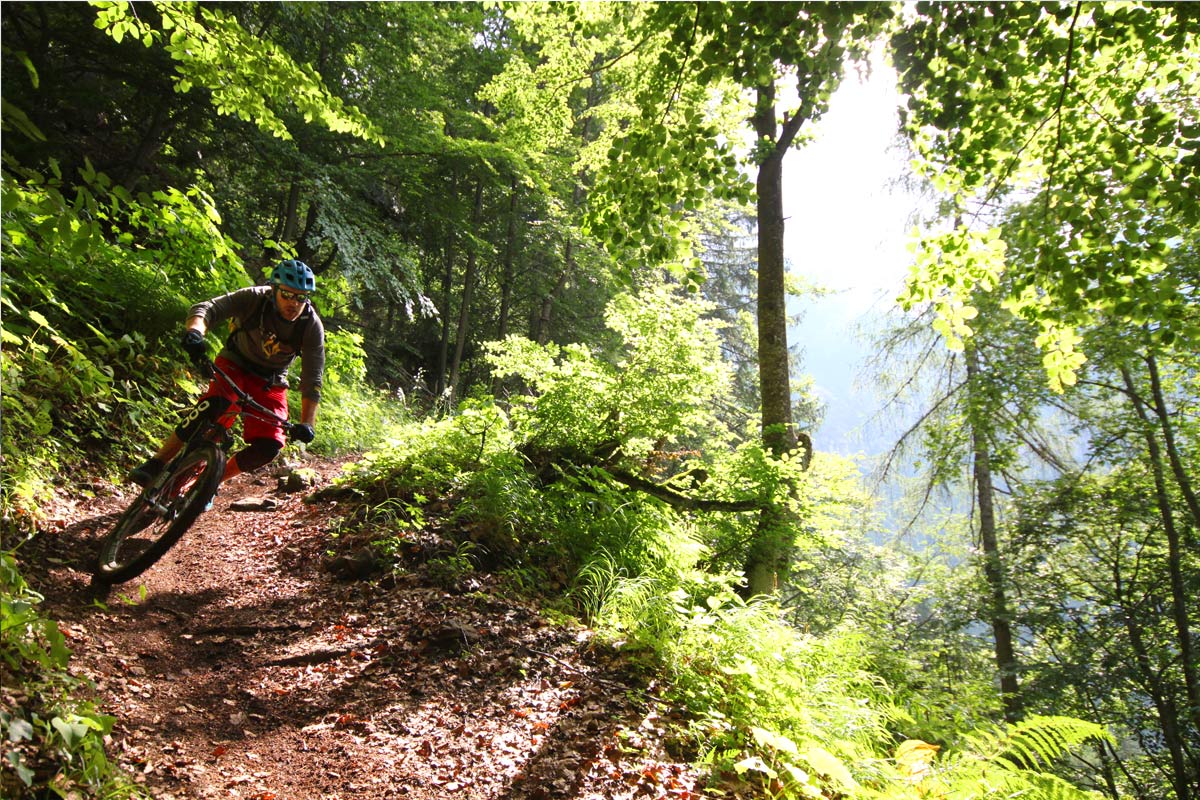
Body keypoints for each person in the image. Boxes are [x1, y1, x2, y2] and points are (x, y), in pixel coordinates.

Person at [128, 259, 325, 489]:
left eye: (301, 297)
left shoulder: (310, 326)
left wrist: (307, 424)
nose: (294, 303)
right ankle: (157, 462)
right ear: (273, 290)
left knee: (269, 446)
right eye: (287, 294)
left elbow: (312, 379)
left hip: (270, 379)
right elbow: (207, 309)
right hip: (235, 362)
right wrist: (195, 332)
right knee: (214, 405)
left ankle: (209, 484)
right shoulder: (254, 298)